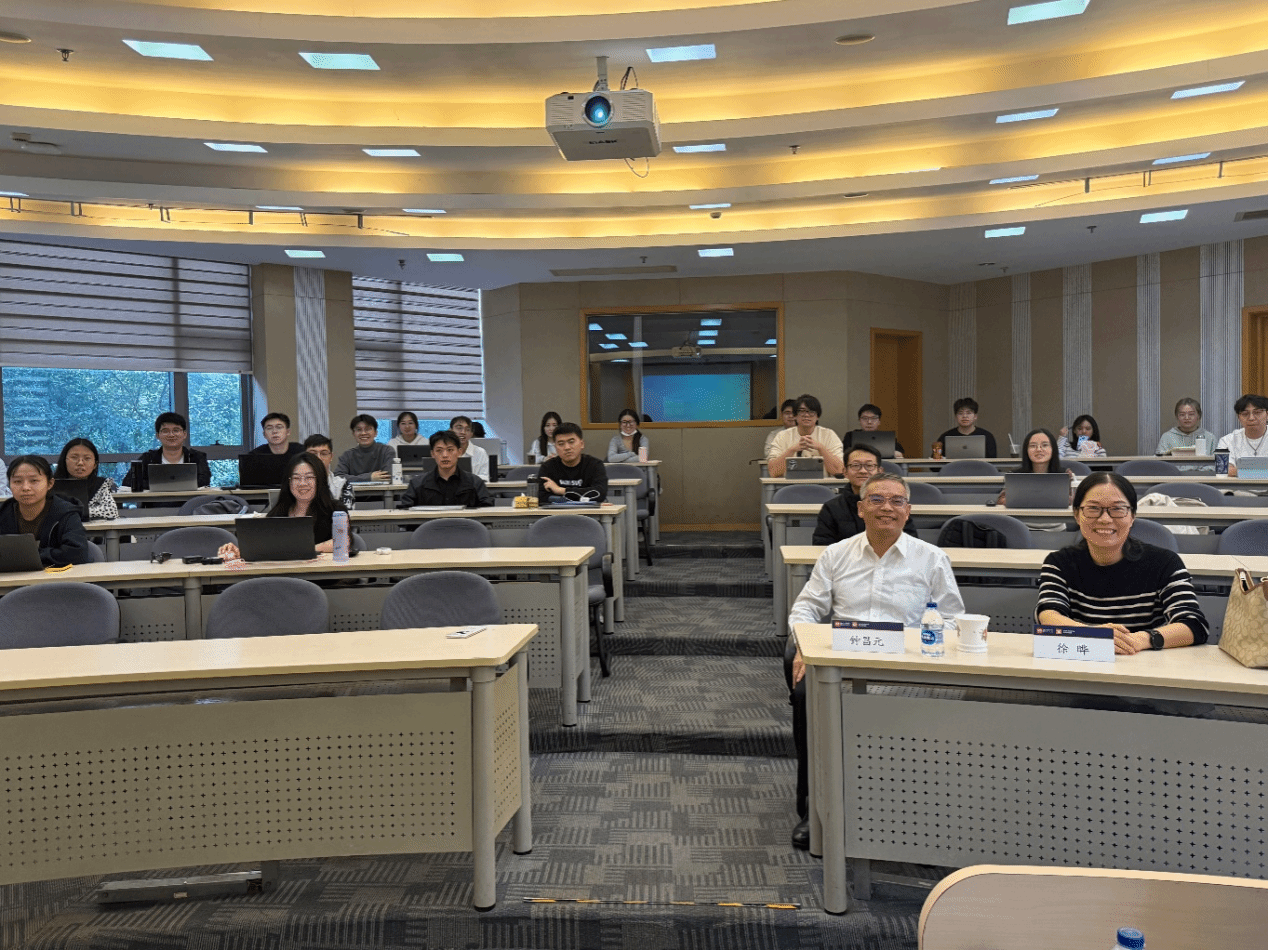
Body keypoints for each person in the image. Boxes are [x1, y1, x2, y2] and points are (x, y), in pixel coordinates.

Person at [786, 472, 963, 849]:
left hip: (905, 667)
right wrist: (803, 645)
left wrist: (920, 643)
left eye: (897, 501)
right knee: (805, 696)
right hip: (843, 664)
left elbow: (951, 619)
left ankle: (911, 807)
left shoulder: (931, 558)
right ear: (860, 508)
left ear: (908, 511)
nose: (887, 508)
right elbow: (806, 608)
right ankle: (814, 805)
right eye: (877, 500)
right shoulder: (836, 554)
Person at [1035, 472, 1207, 653]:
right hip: (1082, 662)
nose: (1105, 519)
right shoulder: (1059, 563)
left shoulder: (1165, 563)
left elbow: (1193, 624)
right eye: (1093, 508)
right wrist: (1094, 635)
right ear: (1077, 515)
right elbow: (1048, 613)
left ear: (1132, 516)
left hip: (1144, 663)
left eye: (1117, 509)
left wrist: (1141, 639)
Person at [218, 452, 349, 560]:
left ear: (320, 480)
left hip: (322, 575)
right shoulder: (279, 512)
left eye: (309, 477)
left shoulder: (335, 509)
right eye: (296, 478)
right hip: (286, 575)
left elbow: (343, 542)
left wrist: (304, 551)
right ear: (289, 482)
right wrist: (237, 551)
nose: (302, 483)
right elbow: (262, 547)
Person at [812, 444, 916, 545]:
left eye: (869, 466)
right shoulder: (831, 508)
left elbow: (910, 542)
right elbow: (822, 545)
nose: (863, 471)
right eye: (855, 465)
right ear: (845, 472)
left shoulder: (895, 504)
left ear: (880, 471)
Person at [0, 455, 92, 566]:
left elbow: (78, 553)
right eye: (17, 481)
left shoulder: (66, 513)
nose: (25, 488)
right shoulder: (3, 513)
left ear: (50, 484)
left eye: (34, 481)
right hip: (11, 576)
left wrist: (29, 556)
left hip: (57, 575)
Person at [399, 430, 495, 508]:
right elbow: (405, 512)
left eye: (450, 450)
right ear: (432, 454)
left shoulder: (475, 483)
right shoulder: (417, 484)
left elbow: (487, 511)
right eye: (439, 450)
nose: (445, 455)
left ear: (459, 452)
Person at [122, 412, 212, 490]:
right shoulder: (148, 458)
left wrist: (159, 485)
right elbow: (128, 483)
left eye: (176, 430)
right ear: (158, 435)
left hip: (189, 503)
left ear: (184, 434)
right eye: (165, 431)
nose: (171, 435)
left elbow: (204, 481)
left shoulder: (197, 457)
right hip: (155, 503)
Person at [766, 394, 845, 478]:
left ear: (817, 416)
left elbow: (839, 471)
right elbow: (773, 472)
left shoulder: (829, 435)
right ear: (795, 415)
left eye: (811, 412)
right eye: (802, 411)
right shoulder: (782, 436)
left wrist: (821, 448)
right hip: (789, 485)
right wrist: (792, 450)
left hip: (822, 485)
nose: (806, 415)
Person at [536, 422, 608, 504]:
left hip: (588, 511)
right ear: (555, 447)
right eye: (561, 444)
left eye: (571, 442)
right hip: (558, 512)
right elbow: (542, 498)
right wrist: (583, 499)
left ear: (582, 444)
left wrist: (561, 490)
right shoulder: (547, 467)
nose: (567, 447)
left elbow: (599, 493)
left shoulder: (595, 465)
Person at [998, 427, 1071, 506]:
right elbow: (1001, 500)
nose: (1039, 449)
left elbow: (1073, 500)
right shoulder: (1014, 475)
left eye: (1044, 445)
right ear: (1026, 450)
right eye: (1033, 446)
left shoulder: (1065, 474)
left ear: (1053, 449)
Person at [53, 437, 119, 520]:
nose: (80, 463)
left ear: (95, 464)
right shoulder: (51, 484)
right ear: (64, 461)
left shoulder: (101, 484)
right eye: (74, 457)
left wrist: (72, 512)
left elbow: (111, 511)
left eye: (87, 458)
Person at [1216, 393, 1268, 476]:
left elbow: (1231, 471)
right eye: (1245, 414)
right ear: (1239, 418)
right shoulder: (1226, 440)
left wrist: (1241, 470)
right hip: (1239, 485)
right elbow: (1222, 469)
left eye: (1257, 412)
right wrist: (1261, 471)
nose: (1251, 418)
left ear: (1267, 415)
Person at [334, 414, 395, 482]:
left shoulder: (386, 451)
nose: (363, 433)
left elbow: (388, 476)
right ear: (353, 434)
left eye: (367, 429)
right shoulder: (347, 455)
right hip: (353, 489)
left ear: (375, 433)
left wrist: (355, 478)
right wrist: (369, 477)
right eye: (359, 430)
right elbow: (338, 477)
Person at [303, 433, 355, 509]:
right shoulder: (296, 483)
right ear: (304, 457)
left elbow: (346, 514)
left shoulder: (343, 485)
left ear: (331, 457)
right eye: (313, 454)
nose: (319, 458)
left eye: (324, 453)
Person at [450, 415, 490, 481]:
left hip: (473, 486)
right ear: (451, 431)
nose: (463, 432)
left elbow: (485, 477)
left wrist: (466, 479)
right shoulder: (444, 452)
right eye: (459, 428)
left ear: (471, 434)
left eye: (467, 429)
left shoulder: (480, 452)